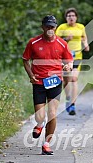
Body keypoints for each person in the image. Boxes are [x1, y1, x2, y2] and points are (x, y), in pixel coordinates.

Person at [22, 15, 73, 155]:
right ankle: (39, 124)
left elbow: (69, 61)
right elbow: (25, 60)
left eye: (52, 27)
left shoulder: (62, 44)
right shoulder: (33, 43)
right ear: (42, 27)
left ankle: (46, 144)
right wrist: (30, 75)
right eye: (47, 27)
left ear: (55, 27)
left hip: (55, 82)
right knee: (40, 116)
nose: (50, 29)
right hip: (38, 82)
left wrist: (68, 66)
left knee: (52, 114)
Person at [56, 7, 89, 116]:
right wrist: (65, 39)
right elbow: (55, 42)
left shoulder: (81, 27)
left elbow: (84, 37)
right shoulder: (61, 28)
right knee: (66, 81)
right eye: (69, 16)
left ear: (76, 17)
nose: (71, 18)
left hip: (77, 56)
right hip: (65, 57)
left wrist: (86, 45)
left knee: (74, 79)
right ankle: (68, 98)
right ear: (66, 18)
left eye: (73, 16)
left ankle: (72, 104)